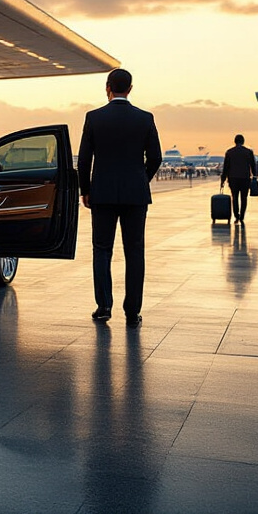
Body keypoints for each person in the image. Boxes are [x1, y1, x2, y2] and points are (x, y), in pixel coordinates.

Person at [77, 68, 163, 328]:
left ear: (108, 88)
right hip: (135, 195)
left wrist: (85, 190)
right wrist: (141, 179)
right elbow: (156, 157)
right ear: (130, 88)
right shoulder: (145, 118)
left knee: (102, 249)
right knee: (134, 251)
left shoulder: (94, 117)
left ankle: (104, 306)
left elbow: (84, 160)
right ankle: (132, 311)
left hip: (102, 193)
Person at [220, 134, 258, 223]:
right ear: (243, 141)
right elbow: (253, 165)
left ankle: (236, 215)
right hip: (245, 178)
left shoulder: (229, 152)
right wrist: (254, 175)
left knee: (235, 197)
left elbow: (226, 167)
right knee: (244, 198)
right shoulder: (248, 152)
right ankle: (242, 216)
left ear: (235, 141)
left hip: (233, 178)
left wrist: (223, 179)